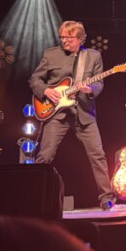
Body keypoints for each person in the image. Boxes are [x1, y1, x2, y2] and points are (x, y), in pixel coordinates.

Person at [29, 21, 115, 210]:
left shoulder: (93, 56)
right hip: (56, 114)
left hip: (84, 114)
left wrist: (89, 88)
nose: (64, 41)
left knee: (98, 155)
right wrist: (46, 91)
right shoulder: (51, 54)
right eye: (62, 37)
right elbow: (35, 79)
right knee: (45, 156)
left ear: (81, 38)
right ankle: (33, 196)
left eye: (69, 38)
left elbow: (99, 83)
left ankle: (107, 198)